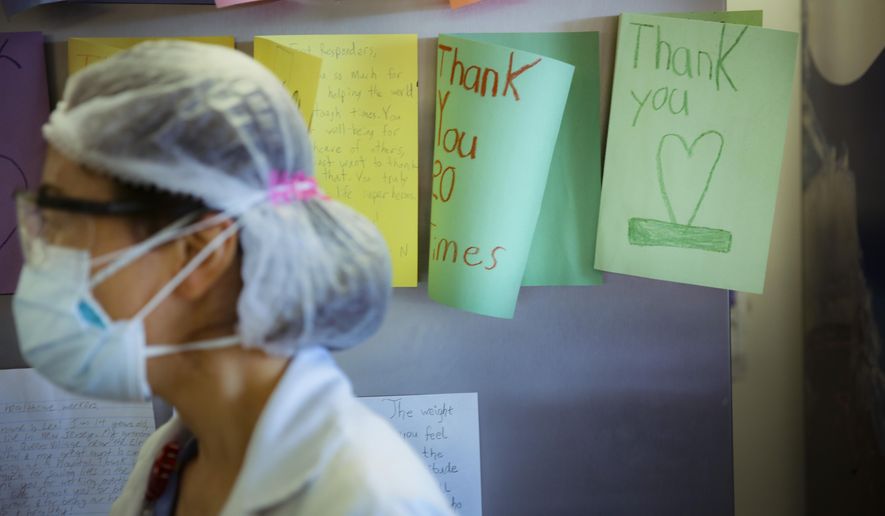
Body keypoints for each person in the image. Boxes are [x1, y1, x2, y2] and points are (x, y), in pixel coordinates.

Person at [12, 40, 453, 515]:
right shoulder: (174, 456)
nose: (44, 253)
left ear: (197, 254)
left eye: (61, 222)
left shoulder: (367, 500)